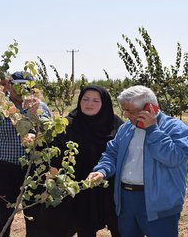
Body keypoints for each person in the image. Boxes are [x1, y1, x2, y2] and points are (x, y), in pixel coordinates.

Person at [87, 85, 188, 237]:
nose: (126, 115)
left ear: (150, 108)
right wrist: (102, 170)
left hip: (159, 204)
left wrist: (153, 130)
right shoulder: (126, 128)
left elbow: (174, 158)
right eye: (124, 110)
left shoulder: (175, 128)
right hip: (127, 200)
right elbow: (112, 153)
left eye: (131, 111)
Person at [35, 85, 124, 237]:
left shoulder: (116, 125)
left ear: (105, 103)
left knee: (119, 228)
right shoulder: (67, 124)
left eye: (96, 100)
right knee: (85, 227)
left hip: (108, 186)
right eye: (85, 99)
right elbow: (50, 149)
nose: (89, 104)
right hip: (79, 188)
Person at [0, 71, 52, 237]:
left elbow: (51, 138)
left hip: (34, 170)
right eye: (17, 85)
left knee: (36, 215)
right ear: (8, 85)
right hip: (3, 169)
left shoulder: (42, 108)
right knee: (1, 216)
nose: (21, 89)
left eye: (26, 86)